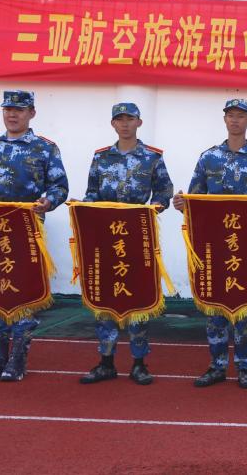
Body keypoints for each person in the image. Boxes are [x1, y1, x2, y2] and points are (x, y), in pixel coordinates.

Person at [171, 98, 247, 390]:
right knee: (215, 305)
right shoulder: (209, 158)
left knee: (245, 307)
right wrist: (181, 204)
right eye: (230, 115)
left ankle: (244, 367)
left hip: (246, 247)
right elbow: (193, 200)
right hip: (214, 244)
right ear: (225, 119)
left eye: (241, 115)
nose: (235, 120)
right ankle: (217, 365)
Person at [0, 90, 69, 382]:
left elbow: (60, 186)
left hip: (26, 232)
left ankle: (17, 359)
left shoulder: (45, 149)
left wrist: (48, 202)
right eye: (8, 109)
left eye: (19, 110)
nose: (12, 114)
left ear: (31, 113)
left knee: (24, 294)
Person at [78, 103, 174, 387]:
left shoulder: (152, 157)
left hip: (137, 237)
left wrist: (153, 208)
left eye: (129, 119)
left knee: (139, 298)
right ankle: (106, 362)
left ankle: (139, 363)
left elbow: (164, 192)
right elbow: (92, 193)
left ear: (139, 122)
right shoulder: (101, 157)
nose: (124, 124)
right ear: (113, 124)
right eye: (119, 119)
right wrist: (83, 206)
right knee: (105, 296)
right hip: (105, 238)